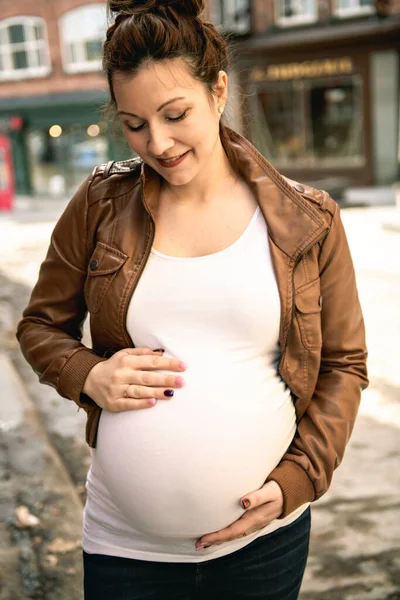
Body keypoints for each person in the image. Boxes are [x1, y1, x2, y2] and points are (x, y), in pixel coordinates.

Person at [16, 1, 368, 598]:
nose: (158, 142)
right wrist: (89, 374)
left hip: (264, 546)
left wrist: (298, 480)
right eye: (134, 123)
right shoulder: (101, 203)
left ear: (219, 90)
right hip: (124, 547)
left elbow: (343, 366)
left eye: (175, 114)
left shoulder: (308, 219)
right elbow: (39, 326)